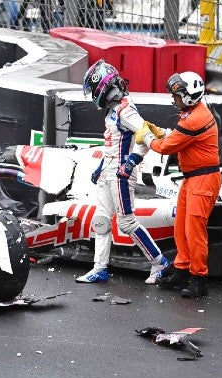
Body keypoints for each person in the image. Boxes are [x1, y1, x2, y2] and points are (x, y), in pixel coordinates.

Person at [76, 59, 171, 284]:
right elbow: (111, 144)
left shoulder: (126, 111)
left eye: (94, 90)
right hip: (109, 171)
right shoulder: (114, 109)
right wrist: (100, 168)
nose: (93, 96)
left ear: (103, 88)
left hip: (120, 174)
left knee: (126, 222)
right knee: (100, 219)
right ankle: (100, 268)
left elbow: (146, 135)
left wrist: (130, 163)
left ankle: (160, 263)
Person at [135, 71, 222, 298]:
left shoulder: (195, 118)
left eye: (177, 96)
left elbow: (166, 148)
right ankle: (182, 269)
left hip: (203, 180)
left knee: (194, 231)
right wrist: (161, 132)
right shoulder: (192, 113)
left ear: (189, 96)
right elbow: (178, 137)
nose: (174, 100)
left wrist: (146, 137)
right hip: (193, 178)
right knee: (181, 227)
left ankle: (199, 279)